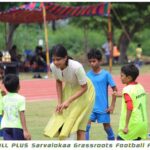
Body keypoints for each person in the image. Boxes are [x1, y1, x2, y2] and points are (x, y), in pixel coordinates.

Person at [44, 44, 95, 140]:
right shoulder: (53, 66)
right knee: (66, 121)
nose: (55, 62)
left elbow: (84, 87)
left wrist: (68, 101)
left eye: (58, 59)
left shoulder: (77, 67)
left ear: (65, 57)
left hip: (85, 91)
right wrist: (59, 102)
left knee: (79, 128)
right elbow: (58, 81)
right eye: (53, 59)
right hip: (70, 88)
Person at [85, 49, 117, 140]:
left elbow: (115, 89)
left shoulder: (106, 74)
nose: (92, 63)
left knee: (107, 127)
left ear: (100, 61)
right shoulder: (87, 75)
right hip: (90, 107)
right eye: (90, 61)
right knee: (86, 127)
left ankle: (112, 142)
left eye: (94, 61)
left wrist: (112, 106)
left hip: (103, 108)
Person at [116, 64, 148, 140]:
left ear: (129, 78)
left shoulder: (127, 90)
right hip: (142, 124)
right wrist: (119, 95)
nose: (120, 77)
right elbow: (134, 97)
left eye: (122, 75)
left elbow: (129, 107)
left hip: (132, 125)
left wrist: (126, 126)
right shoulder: (140, 87)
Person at [1, 74, 31, 140]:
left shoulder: (3, 98)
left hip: (5, 127)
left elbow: (3, 114)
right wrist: (25, 130)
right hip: (17, 127)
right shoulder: (21, 98)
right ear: (18, 86)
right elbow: (22, 115)